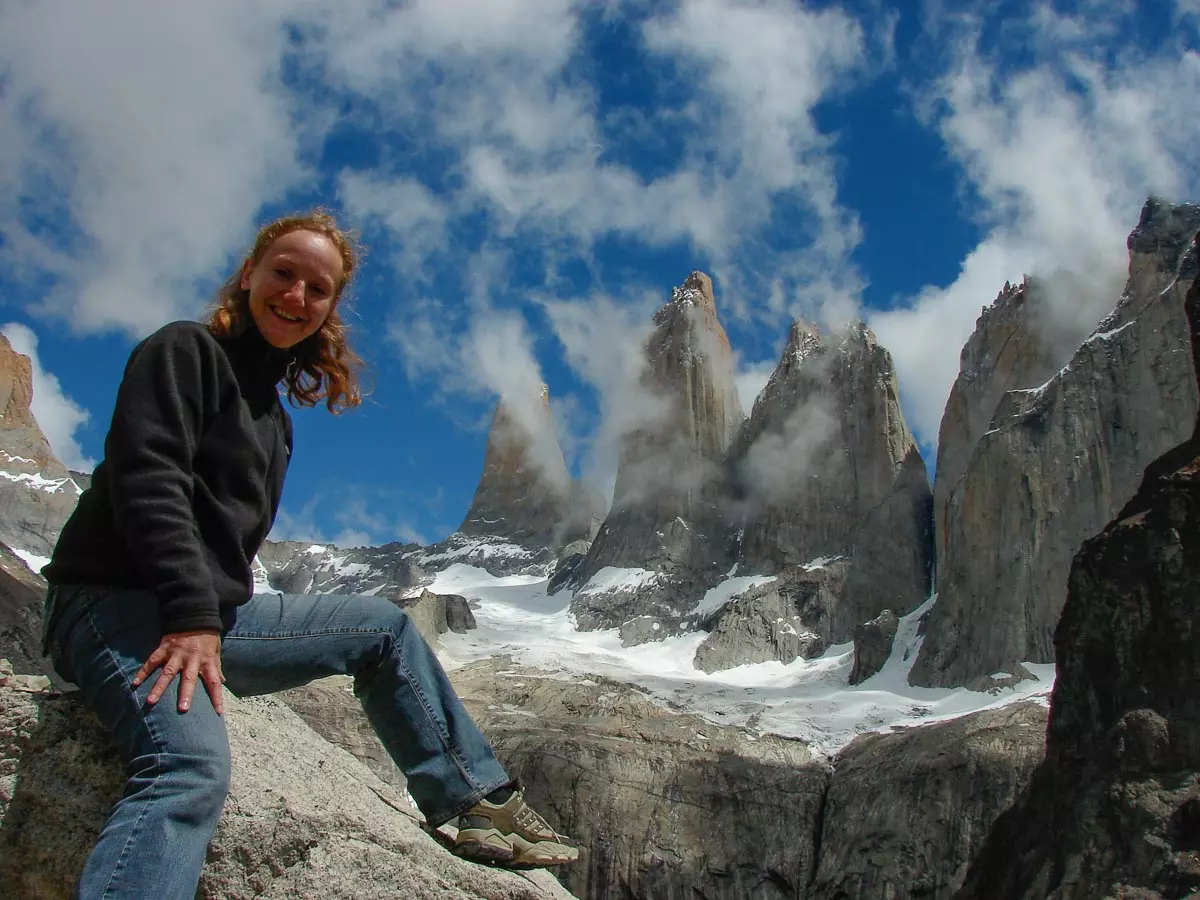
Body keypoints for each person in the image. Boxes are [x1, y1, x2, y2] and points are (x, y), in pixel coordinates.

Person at [40, 210, 577, 900]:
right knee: (187, 770)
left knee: (382, 629)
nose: (295, 296)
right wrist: (191, 616)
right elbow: (150, 477)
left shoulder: (274, 423)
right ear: (249, 275)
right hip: (108, 603)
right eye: (283, 274)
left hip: (210, 621)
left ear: (328, 310)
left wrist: (207, 619)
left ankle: (476, 800)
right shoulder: (184, 351)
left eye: (316, 289)